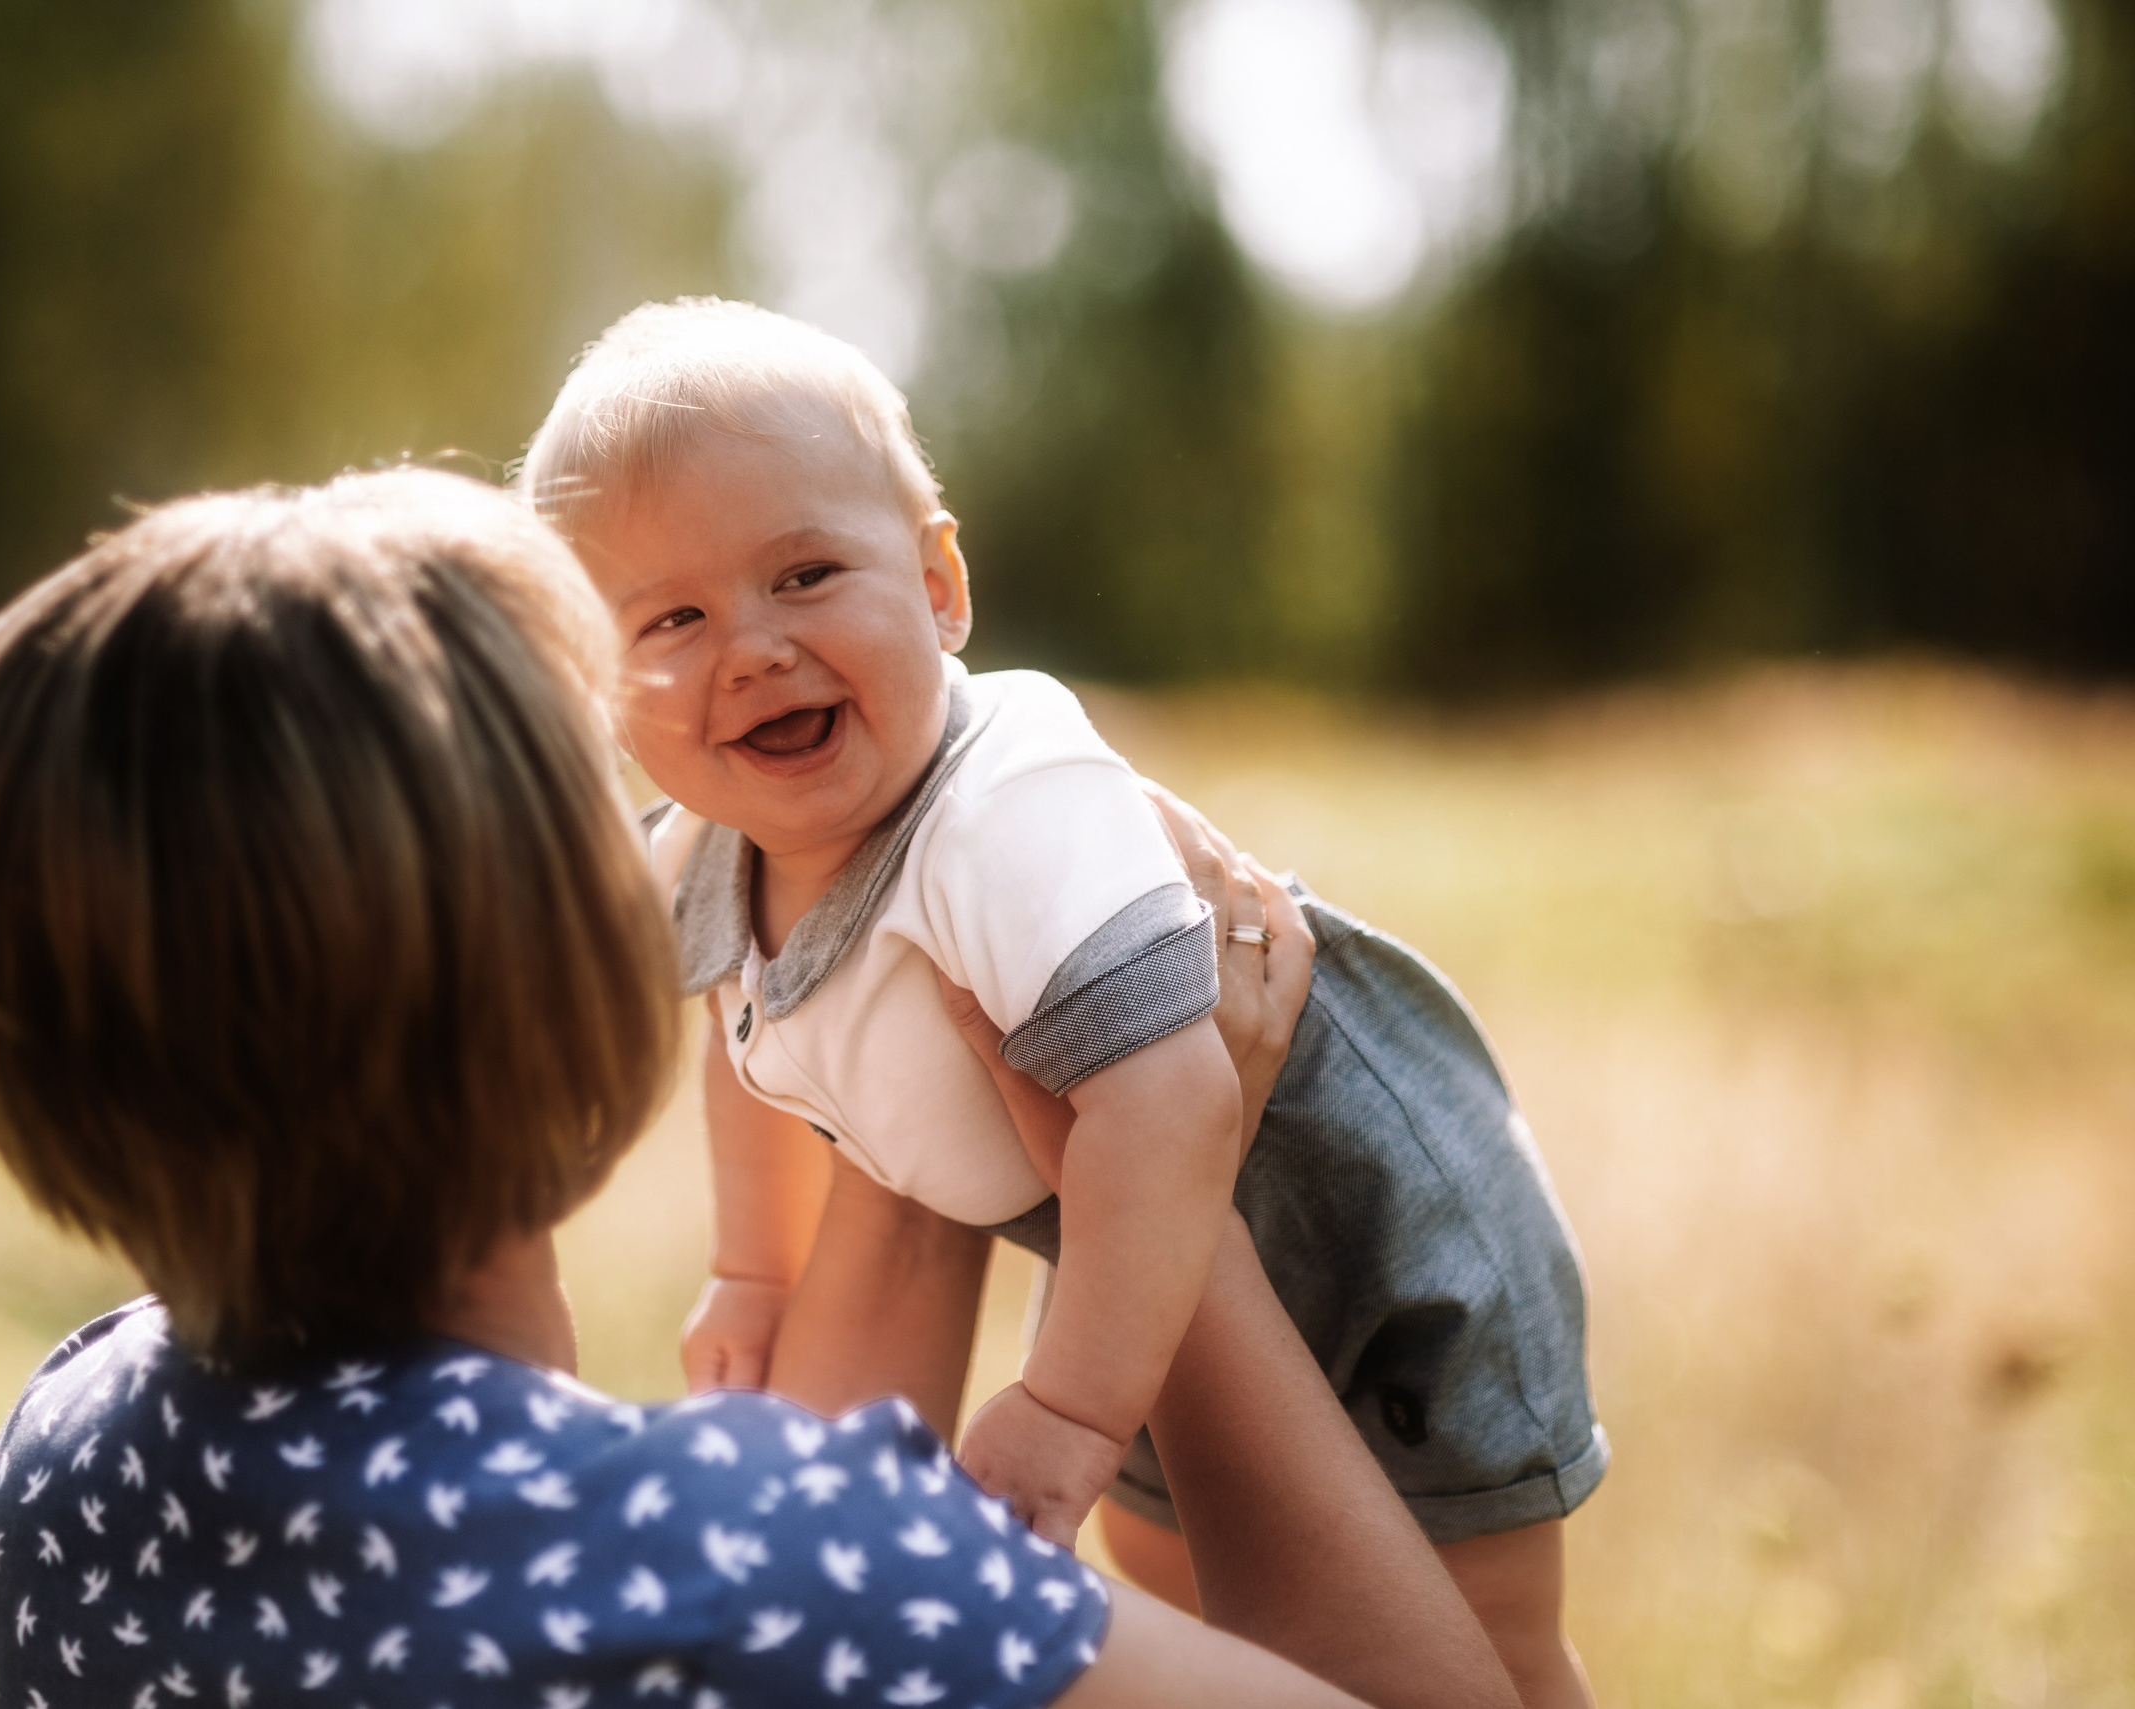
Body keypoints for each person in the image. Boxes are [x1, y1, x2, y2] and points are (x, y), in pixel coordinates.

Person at [0, 467, 1516, 1708]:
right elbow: (797, 1577)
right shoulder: (813, 1579)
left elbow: (739, 1552)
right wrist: (1189, 1193)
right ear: (536, 988)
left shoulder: (65, 1462)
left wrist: (893, 976)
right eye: (609, 802)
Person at [520, 298, 1605, 1707]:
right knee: (1188, 1588)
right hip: (1117, 1251)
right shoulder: (711, 854)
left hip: (1364, 1222)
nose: (752, 648)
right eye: (673, 615)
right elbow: (750, 1033)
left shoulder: (1008, 807)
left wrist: (1071, 1411)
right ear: (605, 687)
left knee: (1489, 1632)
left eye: (804, 576)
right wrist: (753, 1269)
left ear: (938, 586)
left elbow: (1176, 1090)